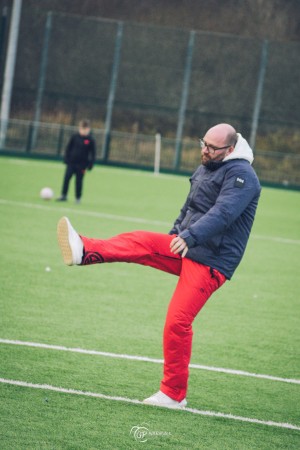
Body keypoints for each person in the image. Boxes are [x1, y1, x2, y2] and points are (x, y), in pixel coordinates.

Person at [57, 123, 261, 409]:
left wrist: (189, 236)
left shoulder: (243, 175)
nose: (204, 149)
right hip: (188, 245)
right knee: (141, 240)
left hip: (212, 261)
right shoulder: (206, 166)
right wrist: (174, 233)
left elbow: (223, 213)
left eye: (212, 147)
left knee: (177, 323)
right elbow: (190, 206)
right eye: (203, 143)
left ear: (229, 149)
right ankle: (85, 250)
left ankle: (174, 395)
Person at [56, 119, 96, 204]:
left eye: (86, 129)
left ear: (88, 129)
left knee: (79, 181)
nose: (84, 131)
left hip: (82, 165)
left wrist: (91, 164)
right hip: (71, 163)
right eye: (82, 129)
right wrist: (66, 159)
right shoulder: (74, 137)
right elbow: (68, 148)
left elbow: (93, 153)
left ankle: (78, 198)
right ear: (79, 128)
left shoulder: (90, 140)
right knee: (66, 179)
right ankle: (64, 195)